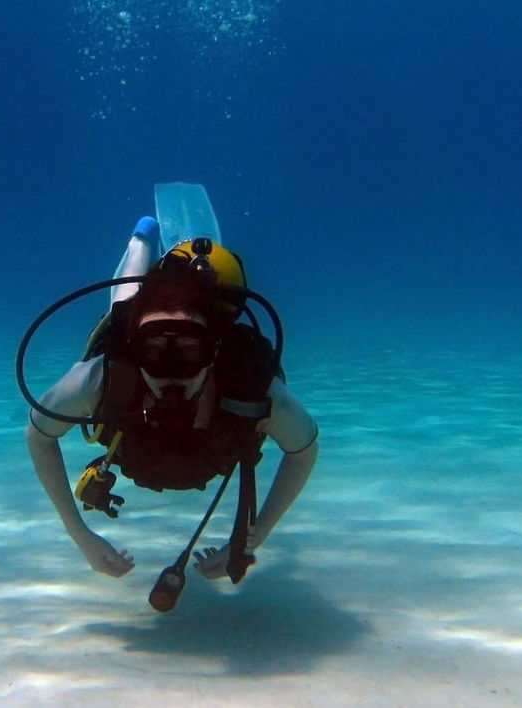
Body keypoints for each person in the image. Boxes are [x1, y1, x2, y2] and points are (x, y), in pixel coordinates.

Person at [22, 214, 319, 601]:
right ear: (136, 351)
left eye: (189, 352)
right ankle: (140, 242)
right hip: (133, 319)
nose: (171, 373)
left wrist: (253, 538)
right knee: (125, 303)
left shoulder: (252, 389)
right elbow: (38, 436)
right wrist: (80, 535)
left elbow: (304, 451)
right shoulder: (101, 379)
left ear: (214, 352)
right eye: (154, 352)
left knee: (136, 308)